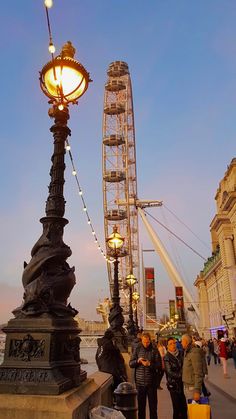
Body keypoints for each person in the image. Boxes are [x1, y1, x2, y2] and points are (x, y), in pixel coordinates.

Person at [129, 332, 162, 419]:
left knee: (153, 408)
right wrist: (138, 361)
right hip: (140, 384)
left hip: (151, 383)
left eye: (147, 342)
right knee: (141, 408)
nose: (146, 344)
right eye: (144, 342)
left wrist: (149, 364)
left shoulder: (154, 350)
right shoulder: (137, 349)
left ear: (150, 341)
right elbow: (130, 364)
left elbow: (159, 365)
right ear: (142, 340)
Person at [164, 337, 187, 419]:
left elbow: (185, 365)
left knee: (184, 407)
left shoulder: (181, 353)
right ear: (167, 346)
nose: (173, 345)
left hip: (182, 384)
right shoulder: (167, 357)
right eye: (171, 344)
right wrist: (182, 375)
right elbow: (169, 372)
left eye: (174, 343)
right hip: (173, 385)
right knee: (176, 408)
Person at [181, 334, 204, 402]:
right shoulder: (187, 352)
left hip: (192, 387)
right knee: (191, 409)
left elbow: (198, 373)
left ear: (186, 342)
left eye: (182, 341)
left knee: (195, 410)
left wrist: (197, 390)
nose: (181, 343)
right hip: (187, 386)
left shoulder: (194, 353)